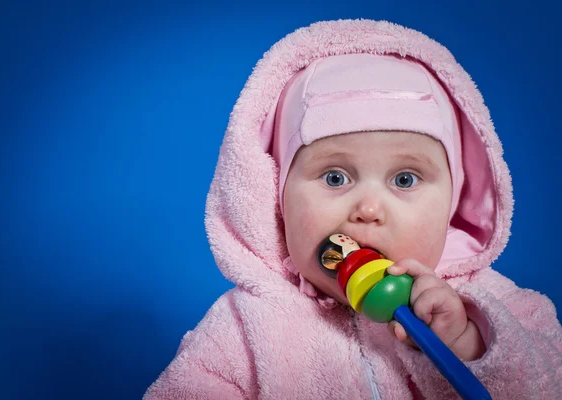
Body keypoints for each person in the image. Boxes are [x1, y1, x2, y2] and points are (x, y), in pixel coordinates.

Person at [144, 19, 562, 399]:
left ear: (453, 201)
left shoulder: (506, 311)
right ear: (276, 196)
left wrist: (466, 343)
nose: (367, 208)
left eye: (405, 179)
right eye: (335, 177)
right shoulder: (241, 331)